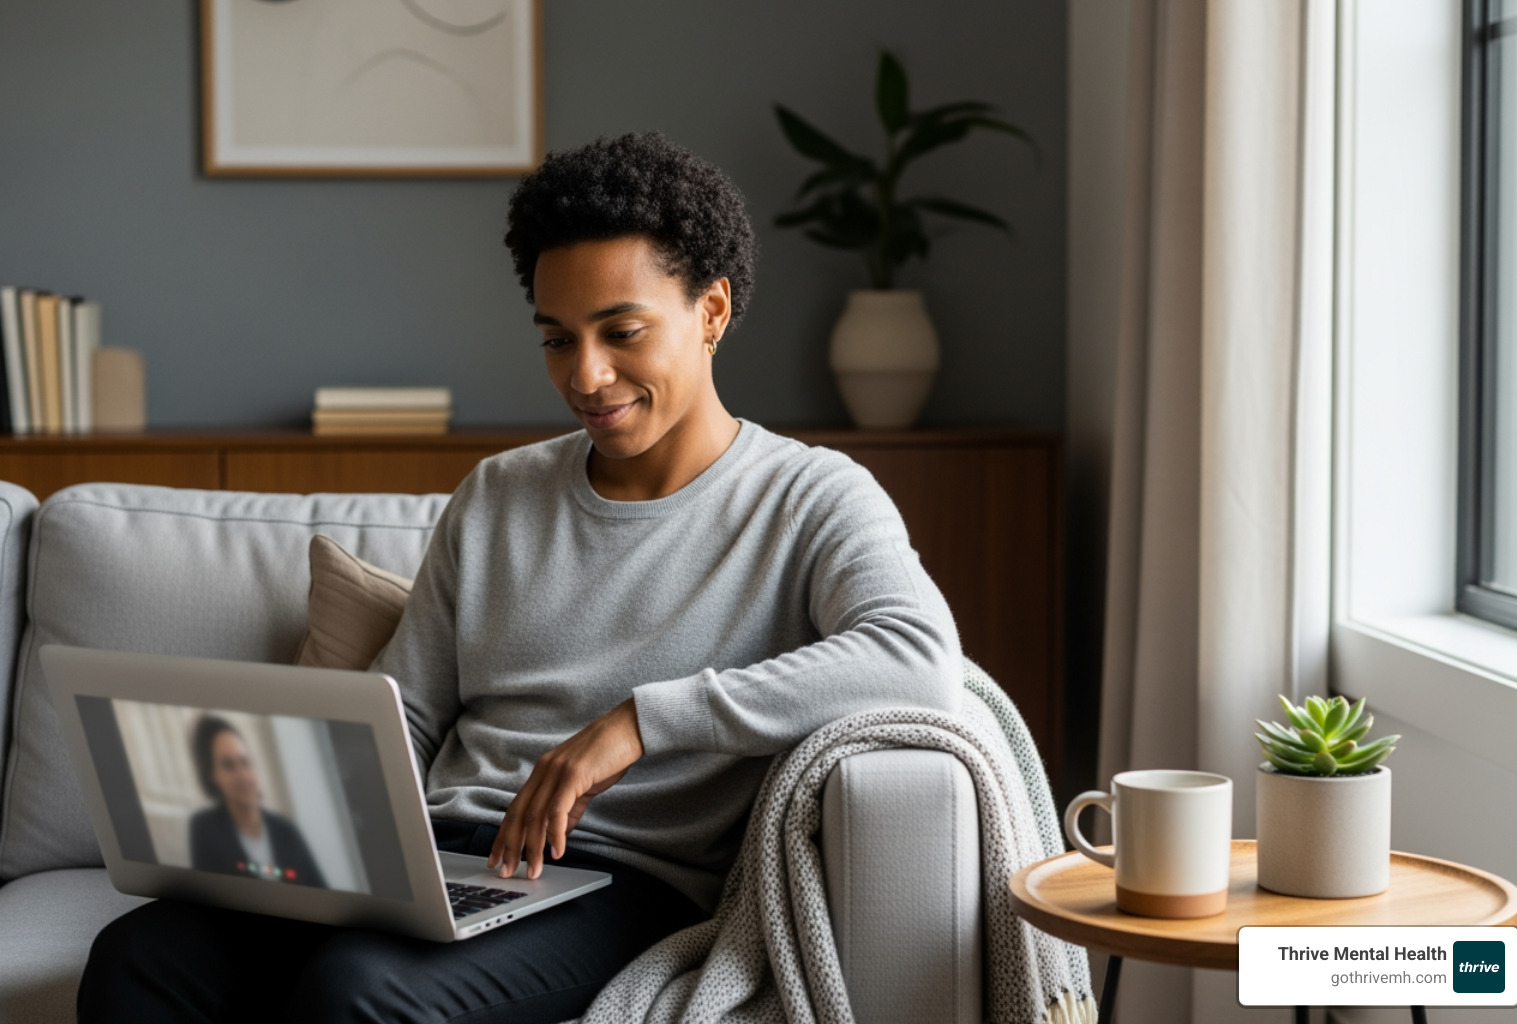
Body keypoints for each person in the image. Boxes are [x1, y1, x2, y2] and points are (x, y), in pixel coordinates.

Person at [79, 132, 961, 1024]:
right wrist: (302, 825)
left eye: (622, 332)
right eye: (556, 338)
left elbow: (916, 660)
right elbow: (409, 708)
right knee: (141, 958)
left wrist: (638, 723)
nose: (586, 375)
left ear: (712, 311)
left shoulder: (809, 496)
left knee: (359, 993)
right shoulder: (499, 492)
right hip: (439, 856)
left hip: (620, 881)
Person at [186, 715, 327, 887]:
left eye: (245, 762)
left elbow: (320, 891)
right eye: (229, 765)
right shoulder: (204, 829)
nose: (243, 775)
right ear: (212, 776)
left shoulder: (287, 832)